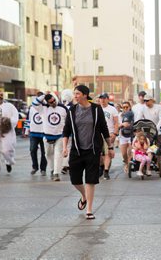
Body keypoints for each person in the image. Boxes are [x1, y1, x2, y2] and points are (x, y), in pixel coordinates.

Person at [62, 85, 110, 220]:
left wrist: (110, 147)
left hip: (93, 150)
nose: (75, 96)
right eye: (74, 94)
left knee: (91, 180)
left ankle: (89, 209)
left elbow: (104, 129)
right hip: (76, 150)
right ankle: (83, 195)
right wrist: (65, 147)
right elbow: (66, 130)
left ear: (85, 95)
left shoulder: (96, 109)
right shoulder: (72, 110)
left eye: (77, 94)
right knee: (75, 180)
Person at [32, 92, 68, 181]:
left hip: (60, 135)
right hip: (47, 136)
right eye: (51, 102)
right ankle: (52, 169)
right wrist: (43, 96)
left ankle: (56, 173)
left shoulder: (62, 108)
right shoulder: (43, 108)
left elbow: (69, 120)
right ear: (47, 102)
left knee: (58, 154)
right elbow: (34, 103)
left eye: (54, 100)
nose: (54, 103)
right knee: (48, 154)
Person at [24, 91, 46, 176]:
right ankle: (35, 167)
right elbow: (28, 119)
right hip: (33, 133)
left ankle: (43, 169)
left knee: (44, 152)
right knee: (32, 150)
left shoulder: (46, 107)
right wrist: (26, 131)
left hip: (44, 133)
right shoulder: (32, 108)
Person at [98, 93, 119, 180]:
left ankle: (106, 171)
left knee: (107, 153)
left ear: (107, 99)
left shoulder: (112, 109)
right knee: (99, 153)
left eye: (104, 98)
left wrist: (115, 133)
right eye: (101, 98)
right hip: (98, 134)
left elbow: (116, 123)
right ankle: (101, 166)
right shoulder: (96, 108)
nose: (102, 100)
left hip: (109, 133)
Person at [119, 101, 134, 173]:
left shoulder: (133, 114)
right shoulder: (120, 115)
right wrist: (122, 124)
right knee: (124, 154)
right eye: (123, 107)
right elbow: (118, 125)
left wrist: (128, 124)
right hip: (123, 136)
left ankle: (128, 166)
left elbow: (132, 124)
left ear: (129, 107)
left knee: (129, 152)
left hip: (131, 135)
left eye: (126, 107)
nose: (125, 108)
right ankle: (126, 163)